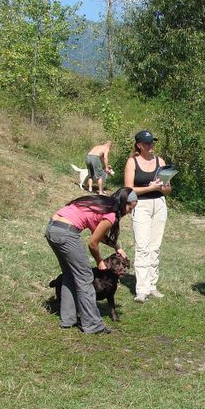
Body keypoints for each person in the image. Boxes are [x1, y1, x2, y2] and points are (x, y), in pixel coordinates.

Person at [45, 187, 138, 334]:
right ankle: (93, 325)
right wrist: (99, 260)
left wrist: (117, 247)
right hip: (67, 233)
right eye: (130, 208)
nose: (129, 212)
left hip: (52, 228)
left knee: (70, 275)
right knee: (85, 278)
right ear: (123, 203)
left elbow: (98, 234)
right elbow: (93, 243)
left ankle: (68, 320)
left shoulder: (101, 203)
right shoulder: (111, 214)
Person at [123, 130, 172, 302]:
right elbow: (128, 189)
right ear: (139, 145)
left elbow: (168, 189)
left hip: (159, 204)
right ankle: (142, 289)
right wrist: (150, 188)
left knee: (155, 246)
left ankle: (152, 285)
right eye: (147, 143)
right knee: (142, 247)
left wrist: (163, 187)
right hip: (140, 205)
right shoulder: (132, 162)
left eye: (152, 142)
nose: (151, 145)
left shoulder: (160, 161)